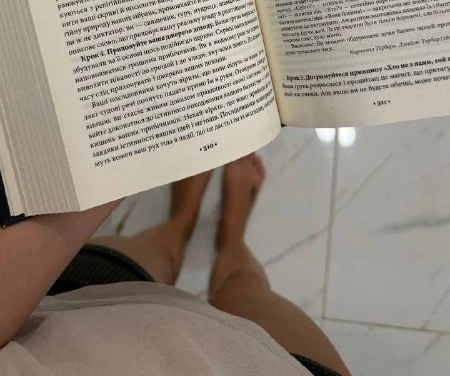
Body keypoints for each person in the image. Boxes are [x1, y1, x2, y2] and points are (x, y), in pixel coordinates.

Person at [0, 154, 350, 375]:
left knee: (149, 253)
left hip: (66, 321)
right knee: (244, 286)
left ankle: (182, 221)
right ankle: (230, 235)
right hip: (273, 367)